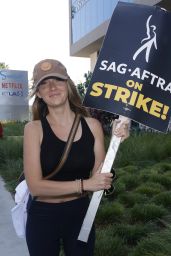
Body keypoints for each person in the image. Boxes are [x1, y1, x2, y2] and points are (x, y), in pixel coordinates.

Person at [24, 59, 129, 256]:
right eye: (44, 83)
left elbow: (101, 176)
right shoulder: (33, 129)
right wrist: (85, 185)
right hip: (42, 215)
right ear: (38, 93)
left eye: (57, 80)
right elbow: (35, 186)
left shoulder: (92, 126)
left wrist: (116, 141)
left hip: (81, 214)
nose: (52, 87)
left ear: (68, 85)